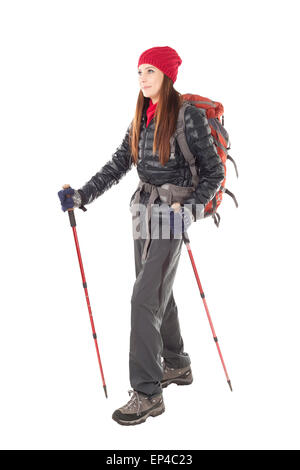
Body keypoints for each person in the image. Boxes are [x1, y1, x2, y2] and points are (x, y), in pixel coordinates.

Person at [58, 46, 225, 426]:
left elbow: (213, 172)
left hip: (172, 215)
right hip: (142, 211)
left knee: (142, 299)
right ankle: (178, 364)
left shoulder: (188, 116)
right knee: (154, 294)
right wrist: (82, 195)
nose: (142, 78)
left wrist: (192, 209)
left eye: (149, 71)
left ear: (166, 75)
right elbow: (120, 162)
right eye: (139, 72)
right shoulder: (143, 115)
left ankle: (148, 393)